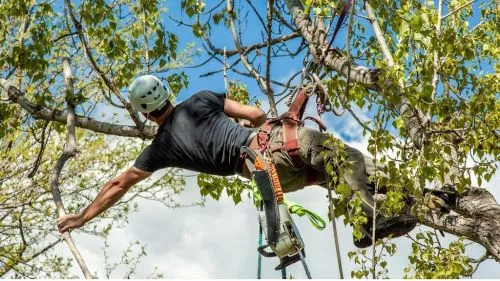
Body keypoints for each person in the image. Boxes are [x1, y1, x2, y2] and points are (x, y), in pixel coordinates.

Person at [57, 75, 415, 248]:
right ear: (167, 94)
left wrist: (81, 217)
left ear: (147, 114)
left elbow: (121, 182)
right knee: (347, 157)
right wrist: (247, 124)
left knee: (341, 176)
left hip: (266, 176)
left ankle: (407, 206)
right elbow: (257, 114)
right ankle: (368, 218)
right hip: (271, 146)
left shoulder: (161, 148)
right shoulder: (199, 100)